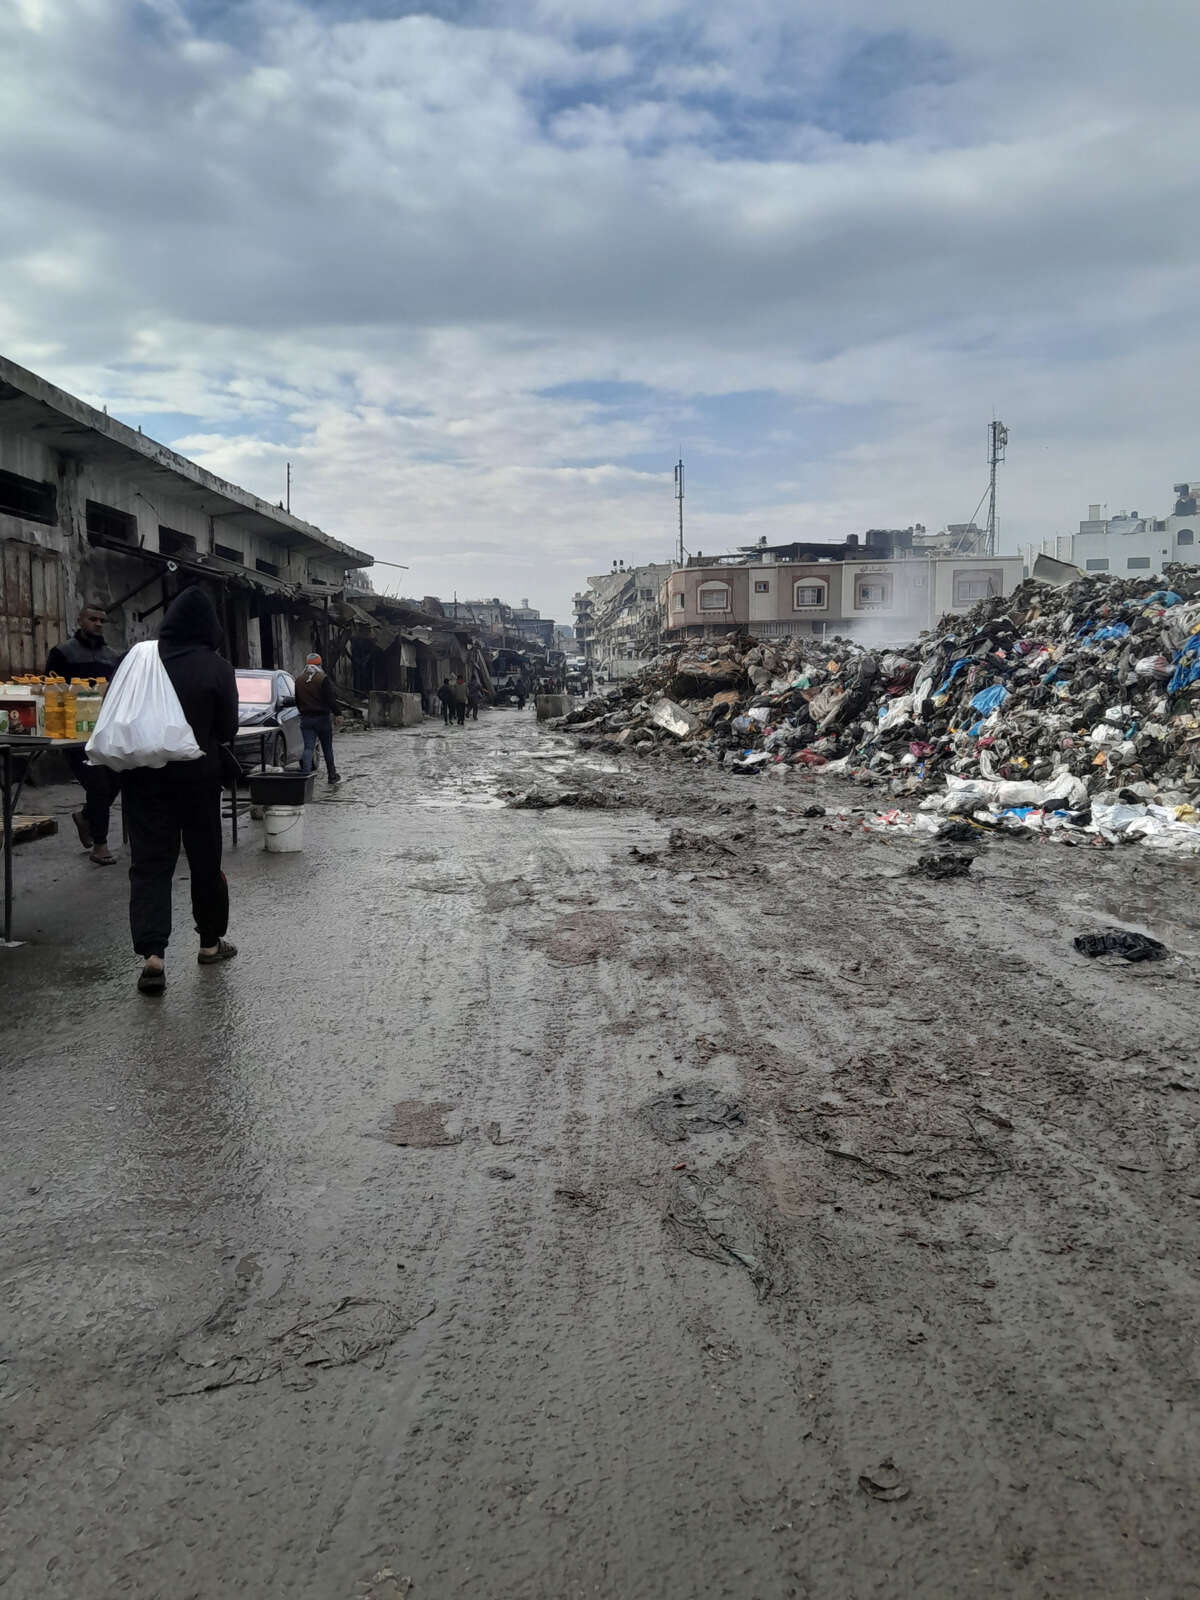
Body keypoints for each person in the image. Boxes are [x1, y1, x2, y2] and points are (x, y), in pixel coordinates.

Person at [123, 587, 238, 995]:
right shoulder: (217, 668)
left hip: (145, 779)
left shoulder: (142, 660)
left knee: (151, 864)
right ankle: (209, 944)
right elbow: (227, 731)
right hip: (198, 780)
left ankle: (153, 958)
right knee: (205, 862)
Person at [45, 601, 122, 865]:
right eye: (93, 619)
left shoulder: (112, 656)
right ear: (80, 620)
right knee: (99, 786)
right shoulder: (62, 653)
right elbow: (51, 692)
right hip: (74, 734)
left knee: (116, 781)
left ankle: (87, 817)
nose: (98, 624)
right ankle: (100, 846)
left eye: (102, 620)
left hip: (105, 732)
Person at [295, 653, 342, 784]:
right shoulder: (323, 678)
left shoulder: (298, 680)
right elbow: (330, 699)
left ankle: (305, 777)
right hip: (322, 719)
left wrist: (303, 712)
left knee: (308, 747)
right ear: (319, 665)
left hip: (306, 719)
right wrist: (338, 713)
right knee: (327, 748)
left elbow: (297, 700)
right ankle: (332, 776)